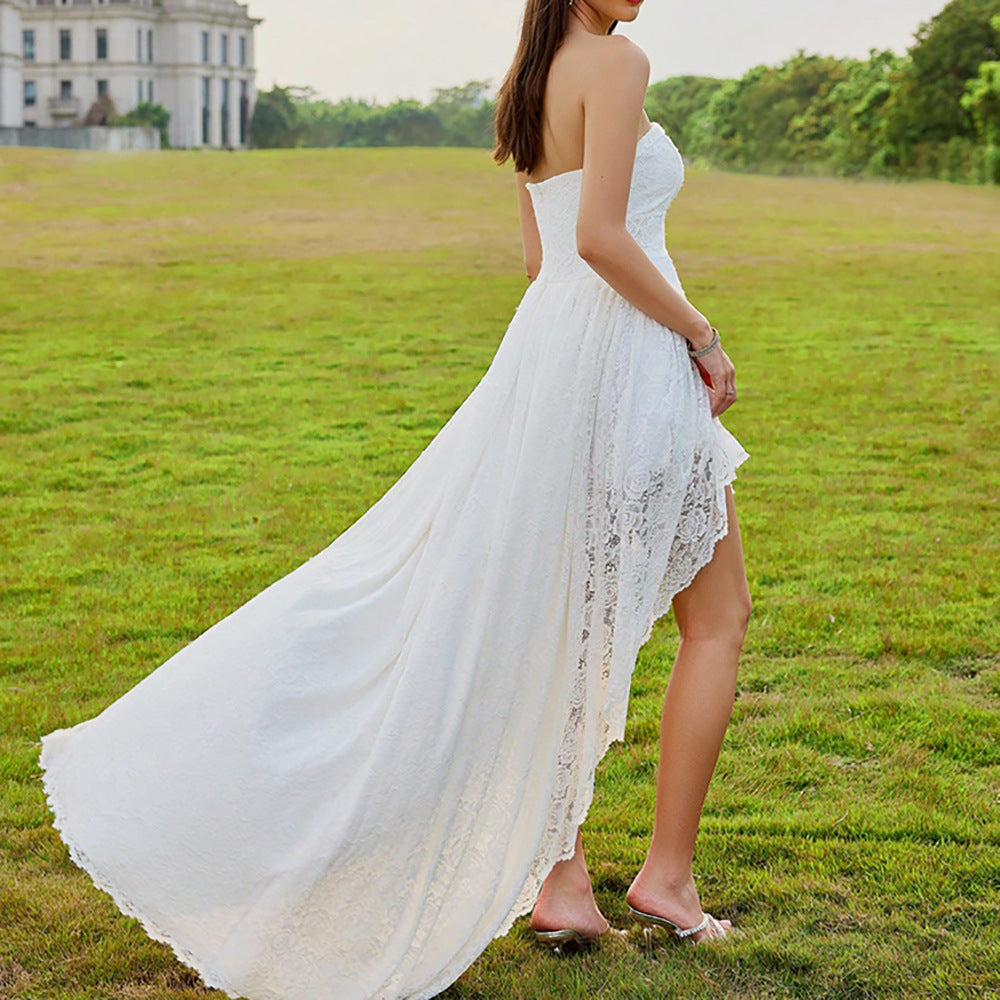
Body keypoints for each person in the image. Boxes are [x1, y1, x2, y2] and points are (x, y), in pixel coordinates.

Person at [37, 0, 750, 998]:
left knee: (555, 624)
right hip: (624, 363)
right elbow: (596, 239)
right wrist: (700, 336)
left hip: (554, 366)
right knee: (717, 619)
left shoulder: (530, 77)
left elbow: (540, 262)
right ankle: (666, 879)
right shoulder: (616, 62)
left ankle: (564, 880)